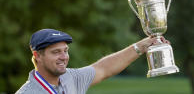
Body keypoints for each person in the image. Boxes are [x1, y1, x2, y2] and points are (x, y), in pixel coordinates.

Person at [16, 28, 169, 94]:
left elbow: (104, 69)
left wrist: (141, 46)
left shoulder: (71, 78)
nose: (64, 57)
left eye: (65, 51)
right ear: (37, 55)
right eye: (56, 52)